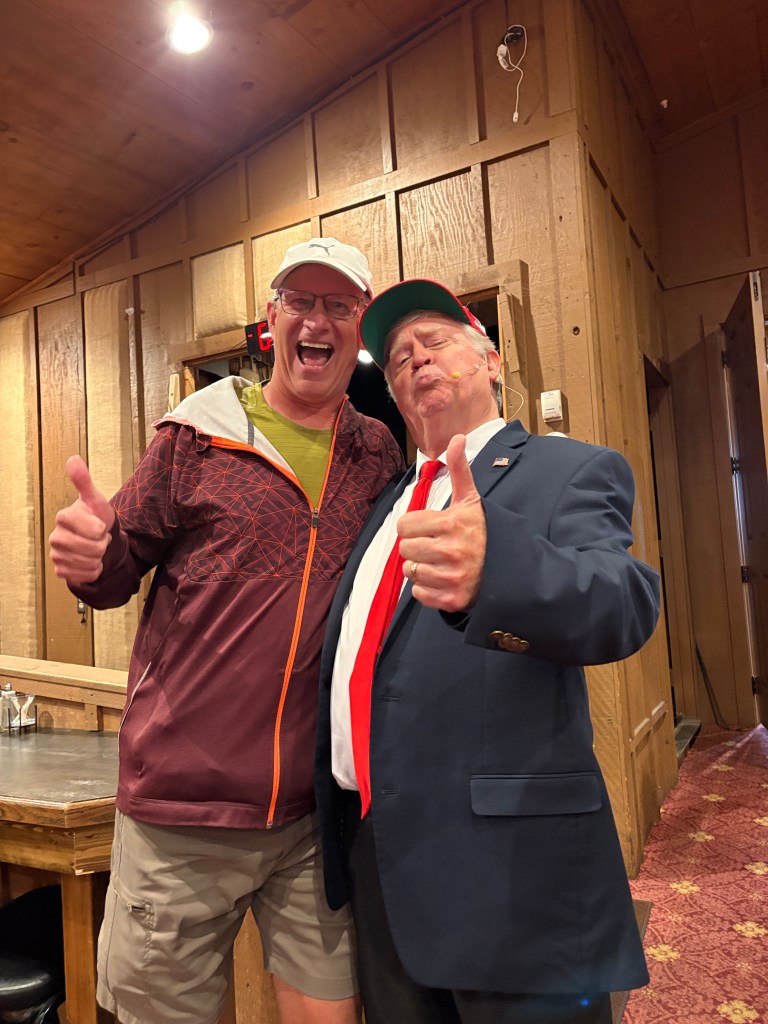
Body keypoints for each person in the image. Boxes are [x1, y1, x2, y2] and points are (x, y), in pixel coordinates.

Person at [48, 238, 404, 1024]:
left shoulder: (376, 452)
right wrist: (92, 557)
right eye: (300, 302)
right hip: (181, 815)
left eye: (337, 305)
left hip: (314, 816)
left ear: (359, 325)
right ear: (271, 320)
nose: (317, 320)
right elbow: (117, 568)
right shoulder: (193, 438)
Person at [315, 278, 661, 1024]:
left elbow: (624, 603)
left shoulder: (570, 469)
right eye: (398, 357)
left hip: (511, 876)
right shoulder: (385, 505)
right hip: (379, 864)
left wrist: (498, 572)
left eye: (435, 341)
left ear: (493, 361)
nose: (415, 359)